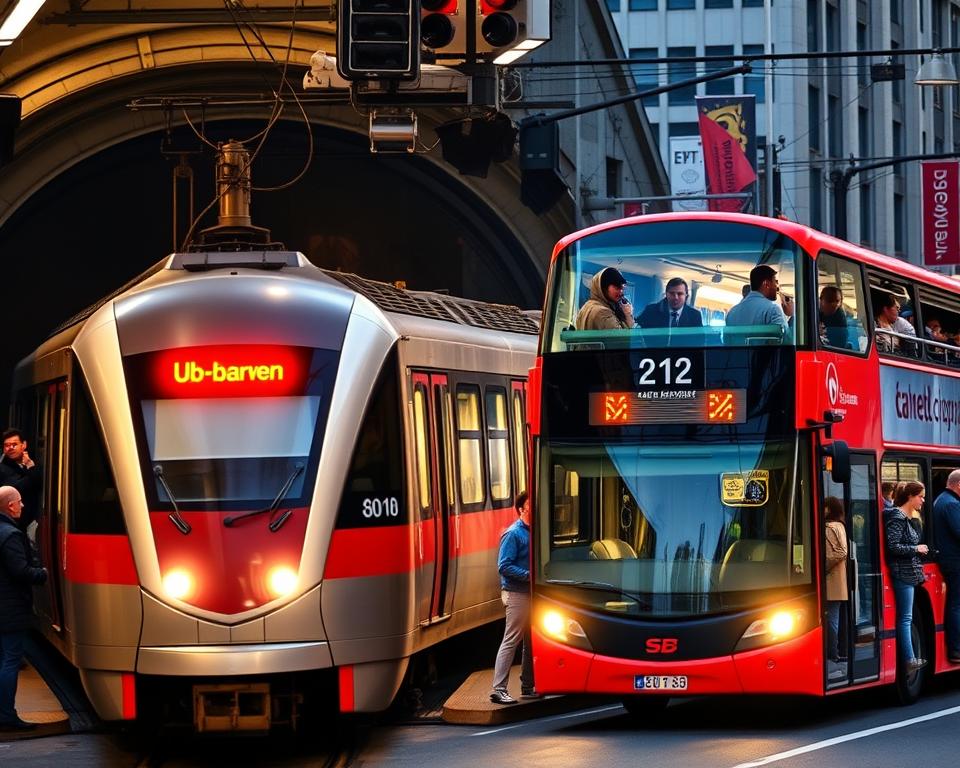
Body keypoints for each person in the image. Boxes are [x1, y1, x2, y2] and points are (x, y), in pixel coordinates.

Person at [0, 486, 48, 732]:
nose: (23, 505)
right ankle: (6, 715)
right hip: (9, 608)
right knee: (10, 660)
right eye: (19, 501)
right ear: (10, 505)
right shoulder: (10, 534)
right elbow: (20, 571)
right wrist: (42, 574)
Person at [490, 491, 537, 704]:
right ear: (521, 509)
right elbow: (504, 566)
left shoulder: (533, 532)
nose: (534, 508)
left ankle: (528, 686)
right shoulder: (514, 534)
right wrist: (530, 576)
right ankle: (498, 689)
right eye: (530, 505)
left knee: (531, 641)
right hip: (517, 594)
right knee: (511, 640)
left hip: (530, 594)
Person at [884, 481, 929, 671]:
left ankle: (910, 658)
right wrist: (916, 548)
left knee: (907, 617)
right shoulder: (897, 517)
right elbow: (892, 546)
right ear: (910, 497)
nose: (923, 500)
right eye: (920, 496)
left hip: (909, 572)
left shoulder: (907, 517)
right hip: (903, 573)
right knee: (905, 618)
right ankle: (909, 659)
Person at [933, 470, 960, 664]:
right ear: (958, 485)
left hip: (948, 559)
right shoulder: (952, 504)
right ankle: (957, 649)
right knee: (957, 605)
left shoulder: (940, 500)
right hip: (955, 561)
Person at [725, 264, 793, 335]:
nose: (777, 287)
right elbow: (786, 341)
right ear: (766, 284)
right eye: (775, 282)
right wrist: (792, 315)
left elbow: (726, 342)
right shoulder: (773, 309)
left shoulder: (732, 312)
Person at [0, 430, 42, 534]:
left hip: (36, 519)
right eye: (7, 445)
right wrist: (31, 468)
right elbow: (16, 488)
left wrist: (30, 466)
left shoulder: (36, 461)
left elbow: (40, 483)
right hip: (15, 523)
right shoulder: (2, 467)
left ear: (24, 445)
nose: (10, 448)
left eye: (14, 444)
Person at [824, 497, 848, 668]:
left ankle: (832, 652)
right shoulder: (839, 525)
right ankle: (835, 651)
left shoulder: (830, 527)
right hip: (837, 581)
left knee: (831, 618)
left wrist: (821, 567)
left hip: (830, 580)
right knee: (833, 617)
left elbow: (840, 552)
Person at [636, 277, 703, 329]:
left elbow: (699, 342)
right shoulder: (651, 310)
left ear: (686, 296)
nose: (675, 297)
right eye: (672, 293)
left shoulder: (695, 316)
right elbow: (636, 331)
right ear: (666, 294)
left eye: (679, 294)